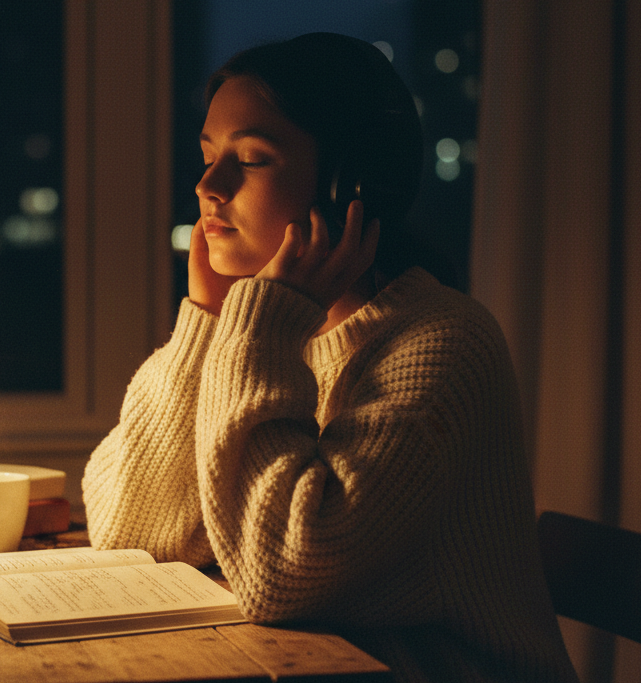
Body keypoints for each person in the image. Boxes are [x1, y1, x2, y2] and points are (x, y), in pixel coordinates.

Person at [82, 33, 578, 682]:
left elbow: (283, 572)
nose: (207, 184)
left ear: (350, 185)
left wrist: (259, 328)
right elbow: (127, 528)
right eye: (207, 155)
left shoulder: (443, 344)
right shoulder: (273, 339)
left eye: (251, 159)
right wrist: (205, 324)